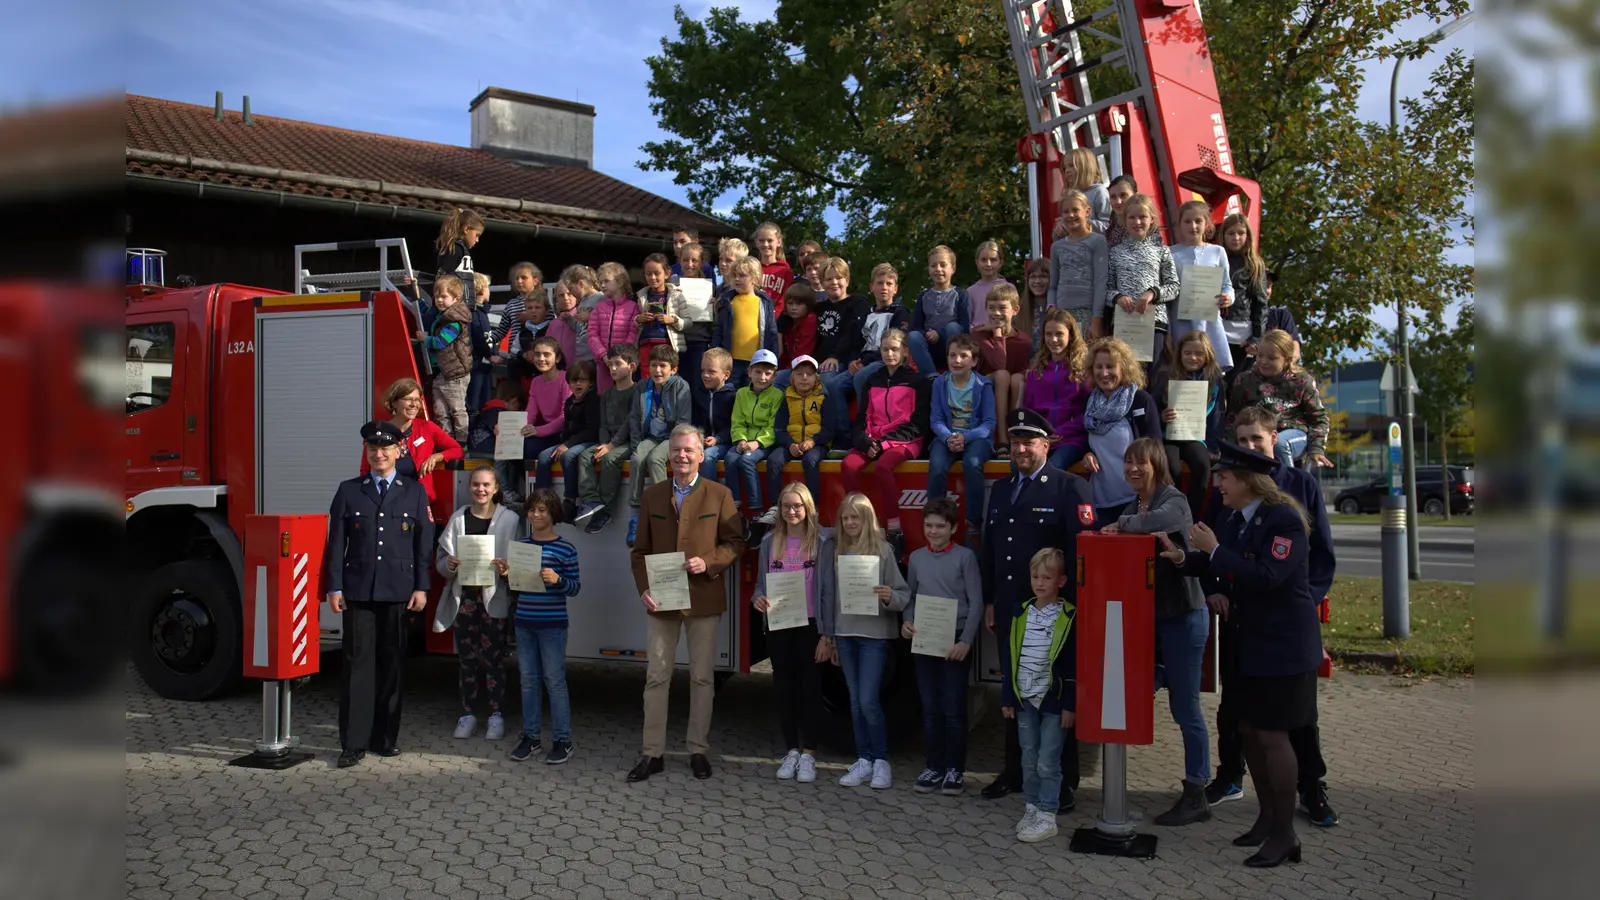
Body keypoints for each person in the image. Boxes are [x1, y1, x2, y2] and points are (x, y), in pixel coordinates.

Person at [1158, 441, 1322, 868]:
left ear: (1248, 481)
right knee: (1249, 730)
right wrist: (1183, 559)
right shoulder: (1236, 518)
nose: (1219, 484)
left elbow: (1265, 576)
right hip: (1251, 644)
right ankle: (1267, 821)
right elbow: (1220, 565)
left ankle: (1286, 836)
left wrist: (1212, 551)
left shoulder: (1283, 520)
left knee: (1272, 735)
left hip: (1284, 648)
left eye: (1225, 477)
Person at [1208, 407, 1338, 827]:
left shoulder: (1298, 488)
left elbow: (1320, 556)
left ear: (1273, 439)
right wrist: (1215, 589)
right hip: (1241, 619)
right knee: (1238, 709)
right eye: (1241, 440)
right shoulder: (1226, 491)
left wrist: (1304, 598)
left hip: (1284, 622)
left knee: (1296, 717)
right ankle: (1231, 776)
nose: (1248, 448)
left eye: (1255, 441)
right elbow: (1217, 548)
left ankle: (1310, 788)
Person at [978, 408, 1094, 807]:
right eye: (1015, 443)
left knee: (1054, 694)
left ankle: (1064, 782)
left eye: (1029, 442)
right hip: (1014, 611)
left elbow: (1081, 555)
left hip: (1053, 613)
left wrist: (1073, 609)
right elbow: (992, 550)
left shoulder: (1069, 487)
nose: (1021, 449)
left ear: (1047, 445)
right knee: (1016, 692)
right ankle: (1015, 772)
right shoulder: (1003, 488)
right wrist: (992, 600)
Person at [1100, 438, 1211, 826]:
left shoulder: (1171, 500)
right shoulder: (1135, 505)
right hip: (1152, 619)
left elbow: (1154, 524)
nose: (1132, 469)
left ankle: (1197, 792)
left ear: (1156, 464)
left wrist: (1122, 525)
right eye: (1128, 462)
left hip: (1183, 616)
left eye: (1140, 463)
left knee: (1186, 709)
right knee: (1136, 683)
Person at [628, 424, 747, 782]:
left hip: (703, 597)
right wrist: (643, 588)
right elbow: (640, 551)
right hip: (662, 598)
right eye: (676, 450)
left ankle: (698, 750)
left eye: (688, 451)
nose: (682, 456)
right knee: (656, 678)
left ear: (700, 455)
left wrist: (708, 562)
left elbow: (735, 543)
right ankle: (653, 753)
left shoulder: (720, 494)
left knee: (702, 678)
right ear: (669, 456)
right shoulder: (653, 495)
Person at [324, 421, 433, 768]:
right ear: (366, 452)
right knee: (357, 666)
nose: (379, 454)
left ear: (398, 451)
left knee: (392, 666)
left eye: (385, 448)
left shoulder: (414, 491)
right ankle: (353, 744)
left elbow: (423, 544)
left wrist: (422, 586)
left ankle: (385, 738)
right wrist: (334, 586)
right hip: (358, 590)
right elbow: (336, 543)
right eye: (373, 448)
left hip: (399, 591)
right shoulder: (349, 490)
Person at [819, 492, 910, 790]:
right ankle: (863, 760)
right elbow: (831, 599)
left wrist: (888, 597)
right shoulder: (837, 552)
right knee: (855, 701)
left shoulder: (883, 551)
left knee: (869, 700)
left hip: (874, 636)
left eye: (855, 517)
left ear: (867, 519)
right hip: (845, 636)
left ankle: (881, 761)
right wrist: (830, 637)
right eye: (845, 518)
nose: (849, 523)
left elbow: (903, 595)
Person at [749, 482, 833, 784]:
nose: (792, 511)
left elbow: (828, 591)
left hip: (811, 625)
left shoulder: (822, 541)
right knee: (784, 689)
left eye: (797, 505)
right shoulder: (771, 541)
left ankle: (809, 752)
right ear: (780, 509)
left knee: (811, 690)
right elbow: (761, 584)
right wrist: (757, 597)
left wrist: (827, 635)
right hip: (779, 624)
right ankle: (790, 751)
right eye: (786, 506)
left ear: (808, 507)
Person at [433, 466, 520, 742]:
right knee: (467, 660)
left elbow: (520, 561)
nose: (480, 490)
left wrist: (508, 569)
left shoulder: (510, 520)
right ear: (469, 487)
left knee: (494, 659)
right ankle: (468, 714)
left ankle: (496, 715)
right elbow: (441, 561)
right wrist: (448, 564)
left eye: (486, 485)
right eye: (475, 485)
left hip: (494, 598)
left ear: (496, 488)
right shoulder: (458, 518)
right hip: (466, 598)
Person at [903, 498, 984, 795]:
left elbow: (976, 602)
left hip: (955, 640)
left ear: (953, 528)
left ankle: (954, 770)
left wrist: (966, 641)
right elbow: (910, 595)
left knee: (953, 709)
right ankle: (933, 766)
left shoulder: (965, 558)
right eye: (928, 526)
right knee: (930, 709)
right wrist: (907, 620)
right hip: (925, 639)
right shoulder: (917, 558)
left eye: (940, 526)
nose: (933, 531)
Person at [1000, 547, 1079, 844]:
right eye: (1035, 576)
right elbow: (1010, 657)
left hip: (1054, 703)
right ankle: (1032, 808)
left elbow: (1072, 664)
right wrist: (1008, 696)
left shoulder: (1069, 616)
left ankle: (1048, 814)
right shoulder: (1020, 613)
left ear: (1061, 581)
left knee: (1048, 760)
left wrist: (1070, 704)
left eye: (1047, 577)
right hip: (1025, 701)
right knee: (1029, 758)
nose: (1040, 582)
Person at [500, 488, 582, 765]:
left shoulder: (566, 548)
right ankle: (531, 737)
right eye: (532, 509)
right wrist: (506, 573)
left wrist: (558, 579)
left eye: (542, 510)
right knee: (528, 682)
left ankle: (563, 740)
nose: (536, 514)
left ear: (553, 513)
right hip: (524, 622)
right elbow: (517, 587)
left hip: (552, 626)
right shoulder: (522, 546)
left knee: (555, 682)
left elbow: (575, 589)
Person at [841, 328, 929, 553]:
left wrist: (884, 444)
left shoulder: (917, 381)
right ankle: (859, 526)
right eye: (885, 349)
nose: (889, 354)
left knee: (883, 467)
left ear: (905, 351)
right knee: (848, 465)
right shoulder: (872, 380)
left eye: (895, 349)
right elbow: (861, 418)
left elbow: (918, 425)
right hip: (873, 439)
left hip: (906, 441)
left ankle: (894, 529)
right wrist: (864, 442)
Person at [1081, 337, 1163, 524]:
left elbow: (1154, 447)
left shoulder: (1140, 400)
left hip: (1135, 501)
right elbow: (1087, 439)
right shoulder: (1090, 403)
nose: (1104, 373)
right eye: (1098, 367)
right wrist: (1086, 453)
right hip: (1100, 501)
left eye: (1110, 366)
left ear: (1123, 368)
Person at [1227, 329, 1331, 469]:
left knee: (1278, 444)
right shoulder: (1245, 380)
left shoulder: (1301, 380)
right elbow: (1234, 416)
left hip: (1292, 433)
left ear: (1287, 359)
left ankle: (1288, 485)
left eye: (1271, 358)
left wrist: (1317, 448)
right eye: (1260, 355)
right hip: (1257, 434)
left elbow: (1319, 417)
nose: (1263, 361)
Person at [926, 335, 996, 542]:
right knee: (937, 466)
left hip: (975, 438)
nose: (957, 360)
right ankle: (937, 517)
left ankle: (973, 522)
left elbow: (988, 423)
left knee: (972, 464)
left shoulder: (983, 385)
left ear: (973, 362)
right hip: (946, 436)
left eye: (963, 356)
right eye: (952, 355)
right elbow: (936, 419)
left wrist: (965, 438)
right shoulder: (940, 383)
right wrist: (948, 437)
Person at [364, 378, 463, 521]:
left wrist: (435, 457)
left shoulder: (427, 428)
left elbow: (457, 450)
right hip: (385, 505)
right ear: (394, 403)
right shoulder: (379, 431)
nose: (414, 405)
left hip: (420, 505)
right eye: (408, 399)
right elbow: (365, 470)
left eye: (417, 400)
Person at [625, 344, 694, 547]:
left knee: (656, 459)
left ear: (673, 369)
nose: (657, 370)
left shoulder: (681, 386)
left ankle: (664, 511)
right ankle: (635, 515)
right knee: (637, 458)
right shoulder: (642, 386)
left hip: (672, 438)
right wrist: (636, 444)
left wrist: (675, 445)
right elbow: (635, 417)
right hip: (650, 437)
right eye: (653, 365)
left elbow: (683, 421)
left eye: (662, 366)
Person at [1151, 331, 1227, 514]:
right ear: (1180, 354)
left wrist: (1213, 446)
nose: (1193, 358)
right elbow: (1152, 407)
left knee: (1202, 465)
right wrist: (1162, 417)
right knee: (1172, 467)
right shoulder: (1165, 375)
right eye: (1188, 353)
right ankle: (1171, 513)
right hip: (1169, 435)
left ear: (1207, 356)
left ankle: (1190, 517)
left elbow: (1217, 415)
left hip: (1195, 437)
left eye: (1199, 354)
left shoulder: (1214, 381)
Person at [1101, 193, 1179, 368]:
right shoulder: (1115, 252)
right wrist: (1118, 298)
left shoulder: (1162, 251)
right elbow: (1106, 290)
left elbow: (1174, 286)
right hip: (1124, 323)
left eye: (1142, 217)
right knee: (1127, 375)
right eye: (1132, 217)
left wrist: (1152, 293)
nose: (1137, 222)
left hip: (1155, 323)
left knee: (1155, 376)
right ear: (1124, 220)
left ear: (1151, 219)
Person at [574, 344, 639, 534]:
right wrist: (604, 443)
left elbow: (629, 423)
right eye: (610, 364)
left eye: (618, 364)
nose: (612, 368)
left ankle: (605, 510)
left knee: (610, 460)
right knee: (586, 456)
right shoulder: (607, 394)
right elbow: (603, 424)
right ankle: (592, 501)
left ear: (632, 367)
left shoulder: (637, 392)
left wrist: (611, 446)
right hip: (608, 442)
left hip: (626, 442)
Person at [1020, 308, 1093, 471]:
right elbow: (1029, 410)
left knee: (1053, 467)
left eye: (1059, 334)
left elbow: (1089, 412)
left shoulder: (1082, 371)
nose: (1053, 339)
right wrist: (1040, 434)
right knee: (1017, 465)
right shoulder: (1035, 372)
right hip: (1040, 439)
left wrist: (1061, 431)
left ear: (1071, 335)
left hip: (1071, 439)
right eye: (1048, 334)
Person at [1169, 200, 1236, 372]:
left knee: (1211, 371)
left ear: (1207, 223)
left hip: (1209, 322)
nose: (1193, 226)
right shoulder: (1170, 252)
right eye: (1187, 221)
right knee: (1184, 369)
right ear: (1180, 224)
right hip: (1180, 321)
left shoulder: (1217, 252)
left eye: (1198, 221)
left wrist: (1228, 297)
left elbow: (1227, 285)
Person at [503, 336, 569, 505]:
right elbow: (530, 414)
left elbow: (565, 417)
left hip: (563, 434)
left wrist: (538, 431)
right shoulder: (536, 382)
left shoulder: (565, 379)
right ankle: (523, 492)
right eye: (537, 354)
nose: (541, 359)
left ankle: (541, 499)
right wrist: (507, 430)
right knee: (510, 446)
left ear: (558, 358)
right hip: (545, 432)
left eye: (546, 354)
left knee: (528, 449)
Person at [811, 258, 870, 443]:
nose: (834, 282)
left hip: (842, 361)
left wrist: (835, 356)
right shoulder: (818, 307)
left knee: (828, 381)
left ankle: (842, 439)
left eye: (839, 278)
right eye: (828, 279)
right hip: (815, 362)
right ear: (822, 282)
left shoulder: (858, 302)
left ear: (847, 280)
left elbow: (853, 333)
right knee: (781, 380)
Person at [725, 349, 786, 525]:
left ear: (774, 376)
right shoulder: (741, 393)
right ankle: (735, 504)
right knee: (730, 457)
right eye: (758, 372)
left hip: (764, 443)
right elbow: (737, 421)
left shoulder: (777, 395)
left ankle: (756, 508)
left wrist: (757, 443)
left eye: (768, 373)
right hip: (744, 440)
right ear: (749, 372)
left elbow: (774, 426)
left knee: (746, 461)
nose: (762, 377)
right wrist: (741, 440)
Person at [849, 264, 923, 406]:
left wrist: (865, 362)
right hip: (862, 361)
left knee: (860, 377)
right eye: (880, 283)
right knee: (833, 385)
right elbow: (856, 341)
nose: (884, 287)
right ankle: (841, 427)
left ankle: (864, 422)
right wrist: (853, 360)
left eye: (889, 284)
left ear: (895, 289)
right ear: (871, 287)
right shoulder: (865, 314)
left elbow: (897, 345)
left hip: (884, 360)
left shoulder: (900, 313)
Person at [536, 360, 600, 518]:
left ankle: (570, 499)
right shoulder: (570, 401)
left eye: (583, 381)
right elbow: (567, 427)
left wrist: (567, 445)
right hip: (571, 441)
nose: (578, 384)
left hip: (589, 440)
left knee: (568, 456)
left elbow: (592, 431)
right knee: (544, 456)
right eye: (574, 381)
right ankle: (542, 498)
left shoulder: (593, 401)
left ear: (590, 383)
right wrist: (563, 442)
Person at [770, 355, 837, 506]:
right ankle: (775, 506)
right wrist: (789, 445)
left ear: (816, 378)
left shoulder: (824, 398)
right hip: (791, 443)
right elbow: (779, 429)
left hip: (817, 444)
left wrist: (813, 441)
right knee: (774, 460)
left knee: (810, 460)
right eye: (799, 374)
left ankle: (813, 506)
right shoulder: (786, 398)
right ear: (792, 378)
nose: (804, 378)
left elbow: (829, 429)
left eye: (809, 374)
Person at [1049, 189, 1109, 338]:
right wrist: (1051, 309)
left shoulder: (1097, 241)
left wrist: (1096, 320)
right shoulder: (1056, 246)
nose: (1070, 215)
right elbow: (1053, 284)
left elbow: (1100, 282)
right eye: (1065, 211)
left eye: (1075, 210)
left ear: (1087, 211)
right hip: (1062, 313)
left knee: (1085, 357)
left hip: (1087, 311)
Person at [712, 256, 780, 389]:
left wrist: (774, 359)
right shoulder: (727, 302)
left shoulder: (764, 303)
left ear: (755, 279)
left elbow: (772, 332)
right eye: (735, 275)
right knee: (729, 394)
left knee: (752, 395)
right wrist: (715, 353)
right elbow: (719, 329)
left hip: (756, 363)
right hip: (731, 362)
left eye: (742, 275)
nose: (737, 279)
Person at [972, 284, 1033, 424]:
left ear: (1015, 310)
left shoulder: (1024, 341)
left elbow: (1021, 372)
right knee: (1002, 375)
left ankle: (1013, 426)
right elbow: (999, 364)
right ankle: (1002, 437)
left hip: (1012, 394)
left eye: (1002, 308)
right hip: (983, 389)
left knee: (1017, 378)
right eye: (991, 308)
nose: (997, 313)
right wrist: (997, 332)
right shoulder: (978, 333)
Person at [426, 273, 474, 443]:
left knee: (456, 410)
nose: (439, 300)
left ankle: (462, 442)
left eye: (444, 296)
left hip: (455, 374)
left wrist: (424, 339)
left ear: (456, 298)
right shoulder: (442, 316)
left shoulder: (455, 321)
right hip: (442, 373)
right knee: (440, 412)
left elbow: (440, 342)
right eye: (436, 296)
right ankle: (447, 442)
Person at [907, 245, 971, 373]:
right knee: (913, 336)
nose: (938, 269)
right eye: (933, 265)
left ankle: (954, 372)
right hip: (929, 349)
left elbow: (965, 326)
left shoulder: (961, 294)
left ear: (953, 268)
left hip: (953, 346)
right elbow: (915, 326)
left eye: (943, 265)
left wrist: (939, 333)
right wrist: (926, 333)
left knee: (953, 326)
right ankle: (931, 376)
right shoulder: (923, 296)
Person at [1217, 213, 1266, 379]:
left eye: (1240, 233)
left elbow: (1261, 304)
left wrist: (1257, 338)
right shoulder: (1214, 259)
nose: (1235, 238)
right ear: (1223, 235)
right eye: (1230, 233)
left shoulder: (1255, 264)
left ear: (1248, 236)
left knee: (1236, 382)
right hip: (1216, 328)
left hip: (1242, 335)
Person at [587, 263, 641, 395]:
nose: (602, 285)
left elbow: (633, 333)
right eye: (601, 282)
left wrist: (621, 358)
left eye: (606, 281)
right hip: (603, 363)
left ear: (620, 282)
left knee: (626, 397)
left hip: (624, 364)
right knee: (605, 399)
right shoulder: (599, 308)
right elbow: (592, 334)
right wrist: (604, 356)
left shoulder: (633, 307)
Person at [693, 347, 740, 487]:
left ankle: (711, 498)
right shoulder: (699, 394)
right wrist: (700, 438)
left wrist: (718, 439)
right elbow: (695, 423)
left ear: (726, 375)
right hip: (703, 442)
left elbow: (735, 426)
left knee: (707, 457)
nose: (705, 375)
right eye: (703, 371)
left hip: (726, 443)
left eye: (711, 372)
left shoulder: (733, 396)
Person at [635, 253, 690, 365]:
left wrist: (673, 320)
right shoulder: (642, 296)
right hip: (646, 345)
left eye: (657, 273)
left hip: (668, 346)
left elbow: (688, 322)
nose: (653, 277)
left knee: (667, 378)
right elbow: (634, 322)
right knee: (647, 378)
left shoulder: (677, 295)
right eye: (648, 274)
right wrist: (639, 319)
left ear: (667, 274)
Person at [562, 264, 607, 368]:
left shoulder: (601, 298)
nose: (571, 294)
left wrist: (590, 317)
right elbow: (579, 327)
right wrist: (569, 319)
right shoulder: (582, 302)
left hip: (595, 354)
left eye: (571, 289)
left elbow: (607, 320)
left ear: (581, 283)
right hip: (582, 356)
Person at [434, 207, 483, 297]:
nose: (477, 240)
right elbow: (443, 277)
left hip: (461, 305)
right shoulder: (455, 250)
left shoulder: (461, 250)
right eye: (477, 235)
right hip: (454, 306)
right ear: (466, 229)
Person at [467, 272, 496, 414]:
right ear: (481, 289)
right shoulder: (476, 314)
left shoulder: (479, 312)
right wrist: (491, 355)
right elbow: (482, 338)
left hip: (481, 365)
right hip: (478, 365)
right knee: (476, 403)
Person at [1061, 147, 1111, 232]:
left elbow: (1108, 227)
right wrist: (1060, 229)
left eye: (1072, 166)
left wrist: (1081, 221)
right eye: (1065, 168)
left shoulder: (1099, 191)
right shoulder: (1069, 195)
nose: (1067, 171)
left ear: (1085, 167)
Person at [752, 221, 795, 316]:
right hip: (752, 319)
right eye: (761, 240)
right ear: (756, 243)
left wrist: (773, 317)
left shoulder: (785, 271)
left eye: (770, 240)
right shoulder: (752, 268)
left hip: (776, 322)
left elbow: (785, 300)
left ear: (779, 242)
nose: (765, 244)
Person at [966, 239, 1011, 326]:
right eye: (983, 260)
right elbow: (968, 322)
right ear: (977, 262)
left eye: (993, 260)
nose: (988, 264)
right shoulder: (971, 291)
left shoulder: (1009, 288)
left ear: (1000, 262)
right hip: (978, 336)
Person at [776, 284, 819, 370]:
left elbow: (802, 353)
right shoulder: (786, 321)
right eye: (790, 303)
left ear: (808, 305)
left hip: (804, 367)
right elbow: (784, 354)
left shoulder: (810, 320)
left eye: (799, 304)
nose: (793, 308)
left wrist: (785, 370)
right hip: (788, 366)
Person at [1104, 175, 1137, 248]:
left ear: (1135, 196)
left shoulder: (1141, 226)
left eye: (1123, 195)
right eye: (1113, 197)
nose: (1118, 201)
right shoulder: (1112, 222)